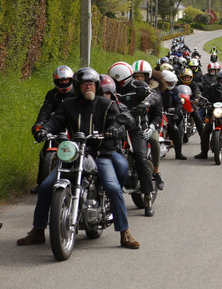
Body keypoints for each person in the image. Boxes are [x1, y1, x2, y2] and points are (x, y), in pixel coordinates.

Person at [19, 67, 140, 249]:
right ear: (78, 86)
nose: (89, 87)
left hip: (100, 154)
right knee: (45, 187)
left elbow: (118, 122)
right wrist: (44, 129)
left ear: (97, 86)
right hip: (73, 154)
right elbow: (56, 120)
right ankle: (37, 231)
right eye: (85, 85)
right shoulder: (68, 105)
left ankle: (125, 233)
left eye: (92, 84)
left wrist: (115, 129)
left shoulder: (106, 105)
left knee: (113, 188)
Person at [108, 61, 155, 217]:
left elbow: (155, 96)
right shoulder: (108, 88)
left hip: (137, 129)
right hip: (116, 128)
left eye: (120, 81)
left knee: (141, 158)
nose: (118, 84)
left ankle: (148, 197)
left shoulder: (140, 87)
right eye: (115, 81)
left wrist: (146, 102)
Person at [30, 65, 75, 194]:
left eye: (66, 80)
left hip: (72, 126)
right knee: (44, 150)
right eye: (60, 81)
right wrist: (39, 126)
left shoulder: (76, 93)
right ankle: (41, 182)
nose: (64, 83)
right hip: (55, 125)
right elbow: (45, 110)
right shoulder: (52, 94)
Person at [132, 60, 166, 190]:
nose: (139, 79)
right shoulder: (128, 88)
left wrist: (152, 127)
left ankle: (156, 172)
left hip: (149, 124)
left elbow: (158, 114)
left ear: (147, 76)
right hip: (131, 124)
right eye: (136, 76)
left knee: (154, 140)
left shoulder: (155, 91)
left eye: (141, 76)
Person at [161, 70, 187, 160]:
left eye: (172, 83)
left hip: (170, 113)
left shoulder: (175, 90)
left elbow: (179, 103)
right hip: (158, 113)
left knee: (175, 131)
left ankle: (178, 153)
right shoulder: (157, 89)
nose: (170, 84)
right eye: (168, 82)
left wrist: (176, 114)